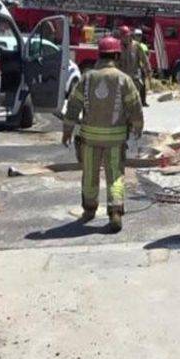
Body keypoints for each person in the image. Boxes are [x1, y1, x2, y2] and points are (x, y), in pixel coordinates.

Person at [63, 35, 143, 233]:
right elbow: (135, 106)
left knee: (90, 174)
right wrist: (138, 126)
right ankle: (115, 211)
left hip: (89, 139)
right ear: (116, 54)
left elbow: (73, 105)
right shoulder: (124, 79)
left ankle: (89, 209)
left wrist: (67, 130)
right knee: (115, 175)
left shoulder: (87, 78)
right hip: (115, 140)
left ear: (99, 54)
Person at [118, 25, 148, 108]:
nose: (125, 38)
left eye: (127, 36)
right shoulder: (117, 46)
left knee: (133, 99)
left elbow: (144, 59)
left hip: (134, 78)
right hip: (122, 78)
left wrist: (148, 70)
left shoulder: (136, 46)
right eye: (123, 36)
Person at [132, 28, 152, 107]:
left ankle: (143, 101)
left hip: (142, 68)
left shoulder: (143, 46)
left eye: (139, 35)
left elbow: (147, 57)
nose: (138, 37)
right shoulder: (132, 45)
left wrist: (147, 68)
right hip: (134, 68)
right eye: (137, 35)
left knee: (143, 85)